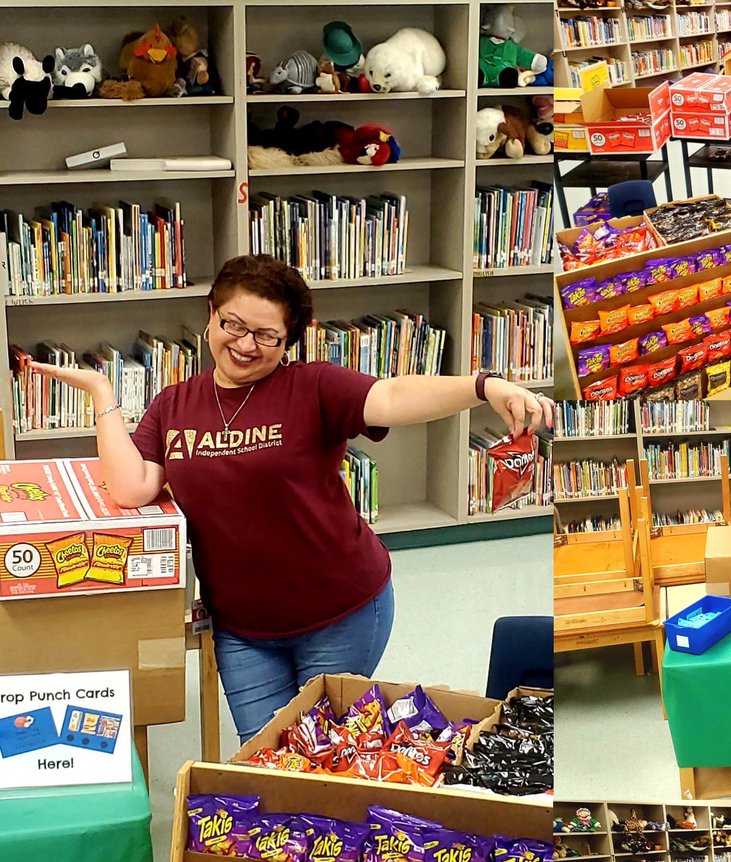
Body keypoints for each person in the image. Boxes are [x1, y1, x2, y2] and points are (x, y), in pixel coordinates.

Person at [30, 255, 552, 743]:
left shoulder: (313, 387)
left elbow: (392, 396)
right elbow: (130, 487)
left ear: (288, 343)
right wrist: (102, 394)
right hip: (242, 630)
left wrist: (486, 387)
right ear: (210, 316)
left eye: (267, 336)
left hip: (341, 612)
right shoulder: (174, 403)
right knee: (266, 758)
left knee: (325, 751)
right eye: (233, 324)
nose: (245, 345)